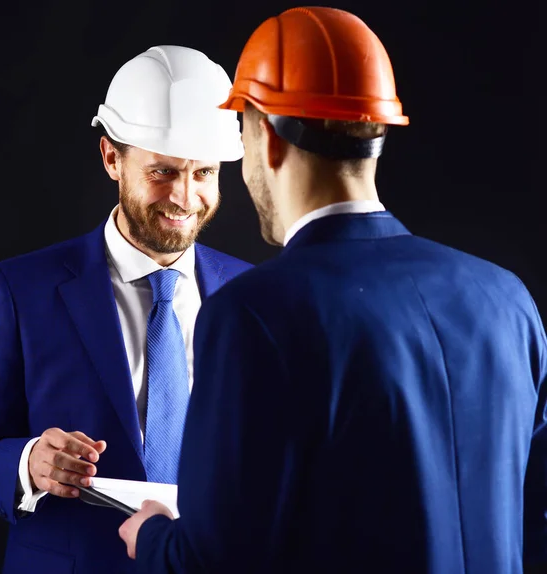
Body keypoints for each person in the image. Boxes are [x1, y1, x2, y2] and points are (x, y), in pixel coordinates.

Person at [117, 8, 547, 574]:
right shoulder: (507, 298)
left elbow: (209, 560)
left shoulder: (254, 313)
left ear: (264, 137)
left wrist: (150, 536)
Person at [0, 45, 252, 574]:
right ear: (112, 157)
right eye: (161, 172)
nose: (184, 197)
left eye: (204, 173)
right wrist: (26, 463)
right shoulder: (21, 288)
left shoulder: (252, 293)